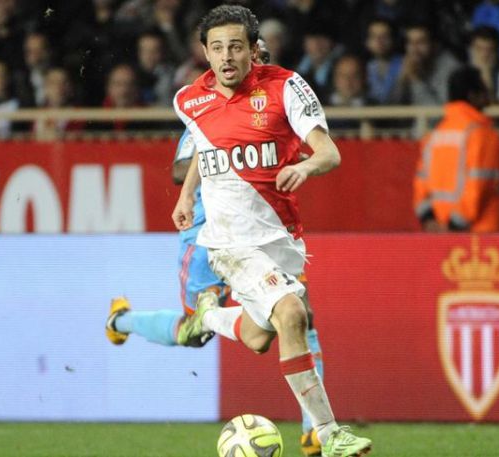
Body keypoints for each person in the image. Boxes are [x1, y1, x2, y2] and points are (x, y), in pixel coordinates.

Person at [106, 38, 328, 457]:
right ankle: (122, 320)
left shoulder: (277, 104)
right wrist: (231, 151)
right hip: (209, 235)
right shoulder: (210, 108)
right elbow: (178, 170)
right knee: (196, 332)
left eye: (261, 58)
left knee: (299, 313)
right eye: (252, 56)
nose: (255, 64)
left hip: (261, 236)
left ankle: (314, 430)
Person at [171, 5, 371, 457]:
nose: (226, 57)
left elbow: (329, 152)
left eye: (235, 47)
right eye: (217, 48)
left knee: (260, 336)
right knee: (293, 313)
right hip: (229, 242)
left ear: (253, 49)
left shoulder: (286, 88)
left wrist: (307, 167)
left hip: (281, 238)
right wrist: (186, 197)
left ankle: (208, 316)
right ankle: (328, 434)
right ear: (205, 52)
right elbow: (205, 145)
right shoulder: (189, 99)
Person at [414, 66, 499, 232]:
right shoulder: (482, 135)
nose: (488, 95)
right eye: (484, 90)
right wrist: (455, 226)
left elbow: (421, 184)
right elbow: (478, 186)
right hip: (481, 233)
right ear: (472, 96)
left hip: (440, 231)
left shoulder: (434, 135)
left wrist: (429, 219)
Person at [392, 23, 460, 106]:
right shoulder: (408, 64)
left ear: (435, 45)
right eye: (410, 42)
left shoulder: (451, 69)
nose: (414, 49)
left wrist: (415, 80)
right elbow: (391, 107)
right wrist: (402, 81)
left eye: (420, 42)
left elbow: (440, 111)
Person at [364, 18, 403, 105]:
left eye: (384, 37)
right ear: (367, 42)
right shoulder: (364, 67)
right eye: (374, 36)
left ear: (393, 39)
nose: (379, 41)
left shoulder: (405, 65)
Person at [468, 26, 499, 104]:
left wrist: (486, 75)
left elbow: (498, 107)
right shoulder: (460, 71)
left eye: (490, 50)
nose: (484, 55)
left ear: (498, 51)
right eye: (479, 49)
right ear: (471, 49)